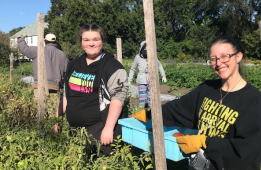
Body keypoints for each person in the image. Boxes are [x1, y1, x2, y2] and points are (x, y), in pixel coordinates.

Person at [132, 36, 261, 170]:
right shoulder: (207, 90)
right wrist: (150, 114)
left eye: (225, 56)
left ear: (238, 57)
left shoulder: (252, 100)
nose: (219, 63)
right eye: (213, 59)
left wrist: (205, 142)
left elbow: (248, 150)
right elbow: (178, 109)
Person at [58, 24, 128, 156]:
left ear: (102, 41)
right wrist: (58, 119)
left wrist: (108, 128)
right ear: (81, 42)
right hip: (75, 132)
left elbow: (117, 98)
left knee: (102, 169)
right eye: (86, 40)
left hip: (100, 131)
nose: (91, 43)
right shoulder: (73, 64)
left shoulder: (112, 66)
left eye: (96, 39)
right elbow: (66, 95)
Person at [17, 33, 69, 116]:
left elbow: (24, 49)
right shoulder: (62, 54)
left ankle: (41, 128)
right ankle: (55, 127)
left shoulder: (38, 51)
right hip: (55, 87)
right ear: (55, 42)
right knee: (54, 112)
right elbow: (67, 71)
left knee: (40, 111)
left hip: (39, 85)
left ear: (45, 41)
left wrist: (21, 39)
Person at [128, 41, 167, 108]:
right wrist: (129, 80)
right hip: (141, 81)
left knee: (151, 100)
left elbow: (159, 65)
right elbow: (132, 69)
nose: (146, 53)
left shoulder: (153, 57)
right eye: (145, 51)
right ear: (141, 50)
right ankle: (141, 113)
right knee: (142, 100)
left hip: (152, 81)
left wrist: (163, 76)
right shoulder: (138, 58)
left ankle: (151, 114)